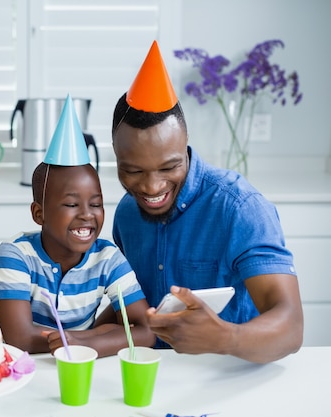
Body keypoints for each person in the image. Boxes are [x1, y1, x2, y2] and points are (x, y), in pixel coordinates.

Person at [110, 40, 303, 363]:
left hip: (230, 378)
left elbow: (291, 327)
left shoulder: (239, 208)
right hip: (149, 379)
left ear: (185, 145)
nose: (152, 186)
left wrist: (226, 337)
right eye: (132, 171)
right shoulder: (127, 214)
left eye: (169, 167)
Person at [0, 96, 154, 358]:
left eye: (96, 204)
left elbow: (147, 330)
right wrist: (94, 337)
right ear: (39, 213)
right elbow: (19, 338)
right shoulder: (16, 255)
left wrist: (88, 342)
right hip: (22, 369)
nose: (87, 215)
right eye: (71, 204)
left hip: (83, 365)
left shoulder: (108, 258)